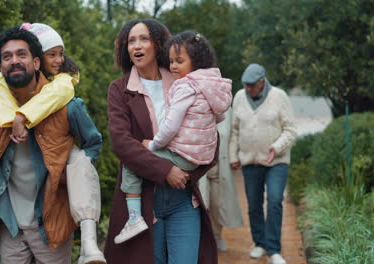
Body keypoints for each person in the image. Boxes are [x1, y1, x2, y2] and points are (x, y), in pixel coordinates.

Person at [0, 24, 105, 264]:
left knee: (78, 158)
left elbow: (93, 143)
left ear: (36, 62)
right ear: (0, 67)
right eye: (7, 57)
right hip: (11, 224)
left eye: (22, 54)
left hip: (50, 222)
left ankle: (89, 245)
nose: (15, 61)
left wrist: (70, 174)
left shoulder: (68, 105)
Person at [104, 19, 222, 264]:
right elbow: (122, 143)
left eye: (144, 38)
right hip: (143, 200)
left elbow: (209, 134)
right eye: (131, 40)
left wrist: (191, 172)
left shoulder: (185, 81)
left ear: (158, 44)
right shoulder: (119, 89)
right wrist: (166, 170)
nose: (136, 45)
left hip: (183, 199)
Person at [229, 63, 297, 264]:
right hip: (250, 161)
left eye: (251, 85)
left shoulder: (279, 96)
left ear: (262, 81)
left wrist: (276, 147)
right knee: (254, 205)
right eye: (245, 85)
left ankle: (274, 250)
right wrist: (233, 155)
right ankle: (260, 243)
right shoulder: (240, 97)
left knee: (275, 200)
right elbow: (234, 130)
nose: (248, 89)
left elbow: (291, 130)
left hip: (276, 161)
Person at [203, 109, 244, 252]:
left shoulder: (228, 110)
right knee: (202, 204)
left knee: (217, 204)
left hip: (219, 168)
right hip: (198, 169)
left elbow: (234, 136)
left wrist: (233, 157)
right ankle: (201, 240)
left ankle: (216, 236)